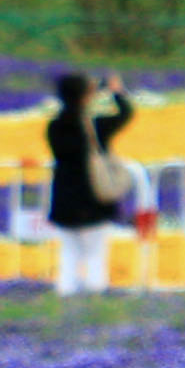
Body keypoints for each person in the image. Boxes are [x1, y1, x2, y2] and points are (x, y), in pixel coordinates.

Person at [41, 69, 140, 298]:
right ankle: (96, 296)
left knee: (69, 254)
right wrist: (116, 92)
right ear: (86, 96)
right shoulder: (94, 128)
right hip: (93, 198)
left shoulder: (54, 127)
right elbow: (125, 114)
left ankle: (65, 295)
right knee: (95, 254)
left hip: (64, 198)